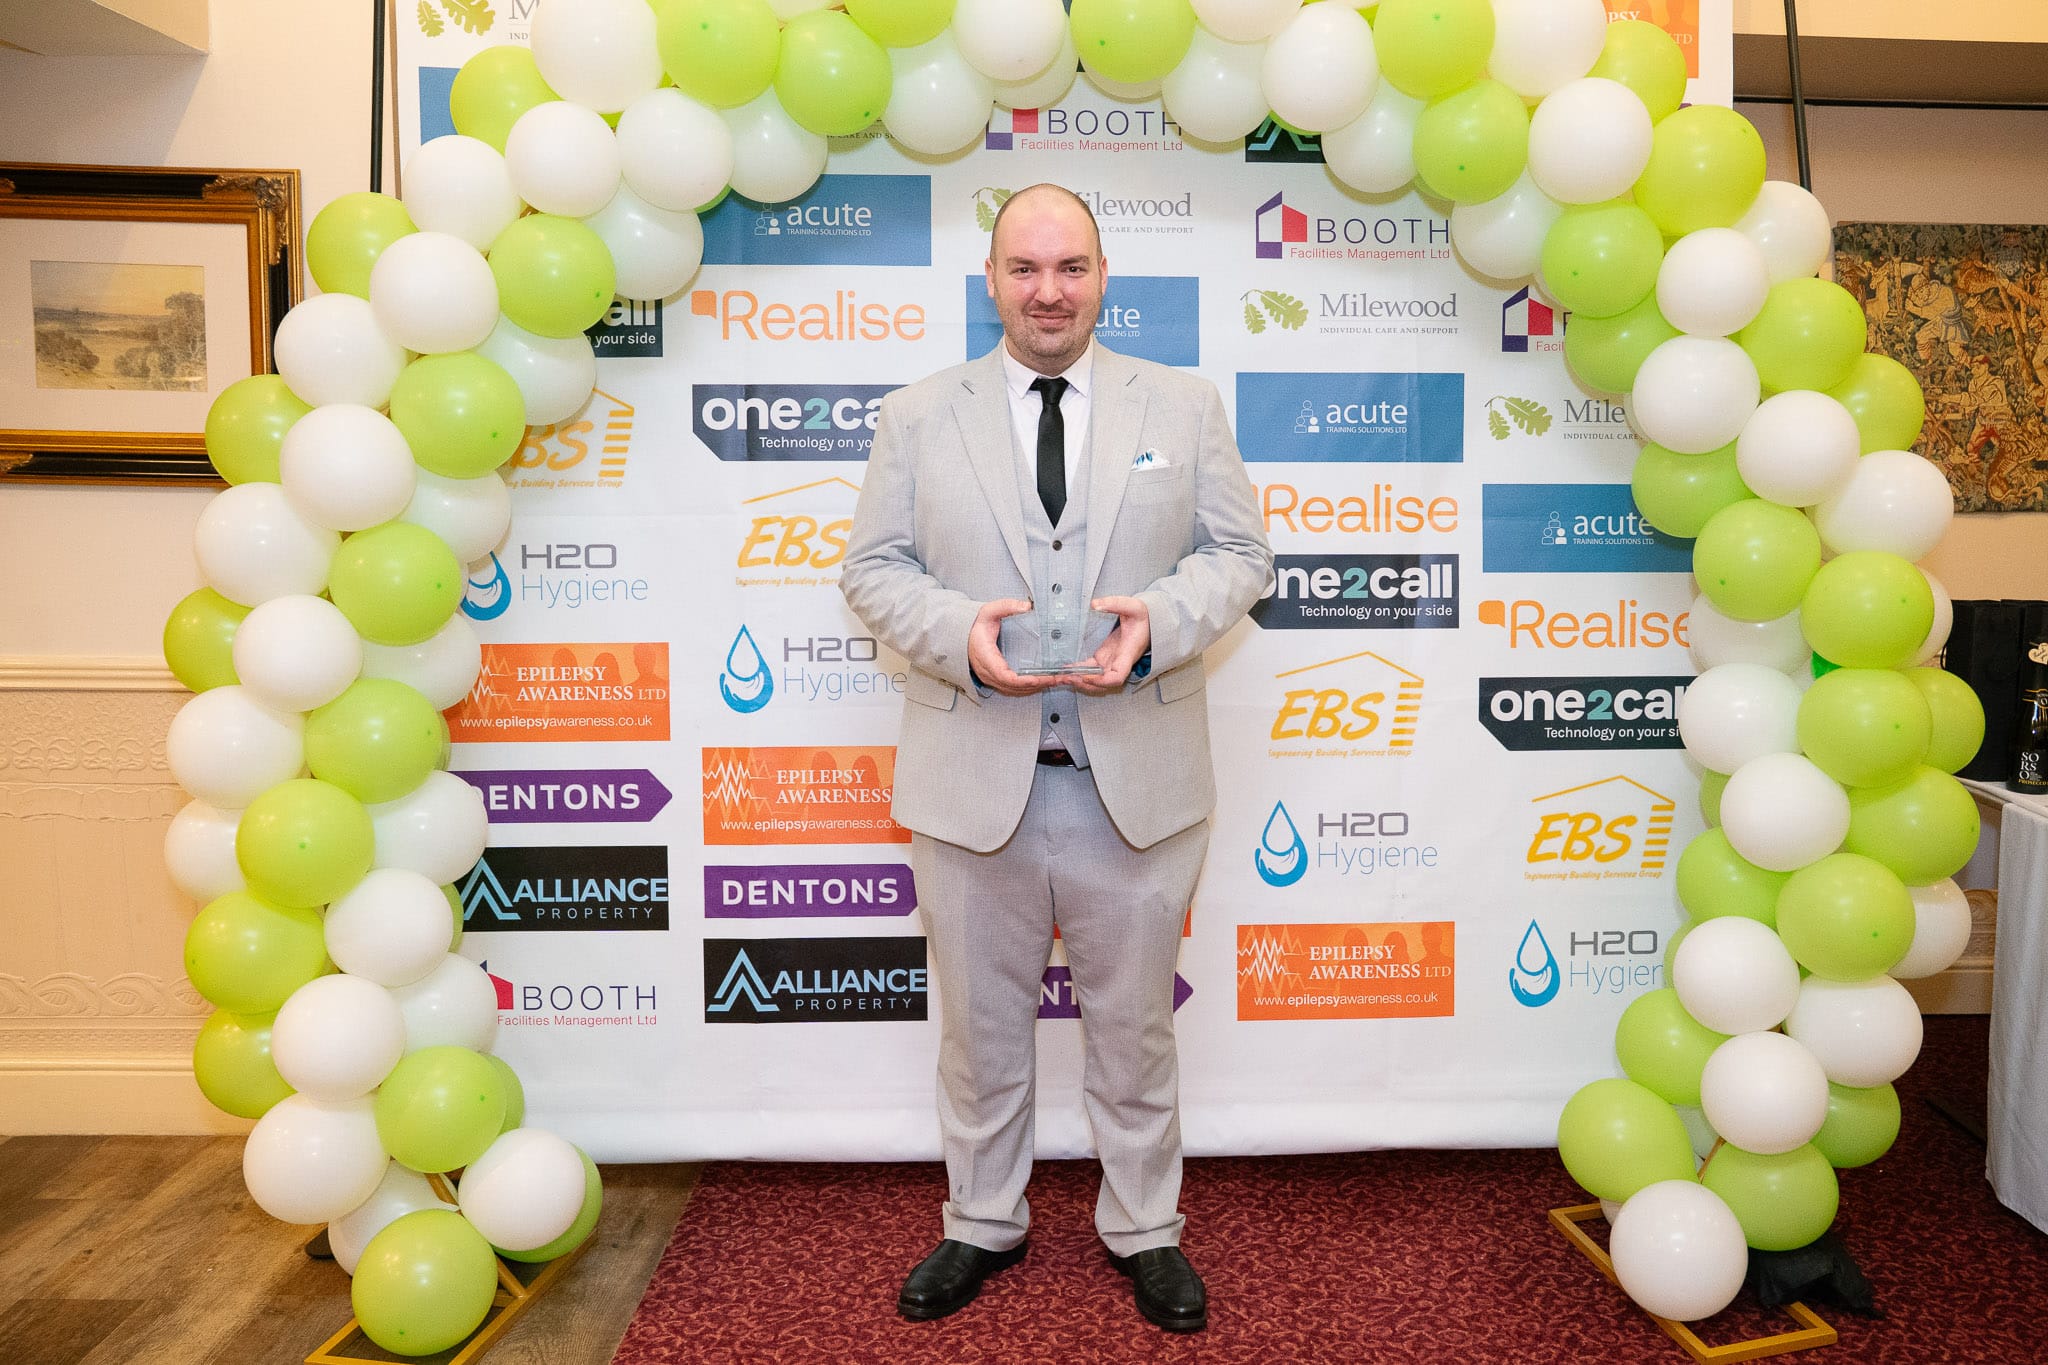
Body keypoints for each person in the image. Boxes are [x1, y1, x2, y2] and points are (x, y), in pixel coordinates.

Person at [840, 183, 1272, 1333]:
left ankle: (1146, 1228)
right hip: (969, 784)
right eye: (1024, 269)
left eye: (1069, 267)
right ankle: (980, 1220)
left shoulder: (1181, 405)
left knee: (1134, 1033)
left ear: (1101, 276)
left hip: (1136, 787)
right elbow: (870, 568)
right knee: (978, 1035)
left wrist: (1159, 623)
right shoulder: (916, 415)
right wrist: (958, 637)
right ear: (990, 280)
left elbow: (1240, 556)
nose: (1048, 291)